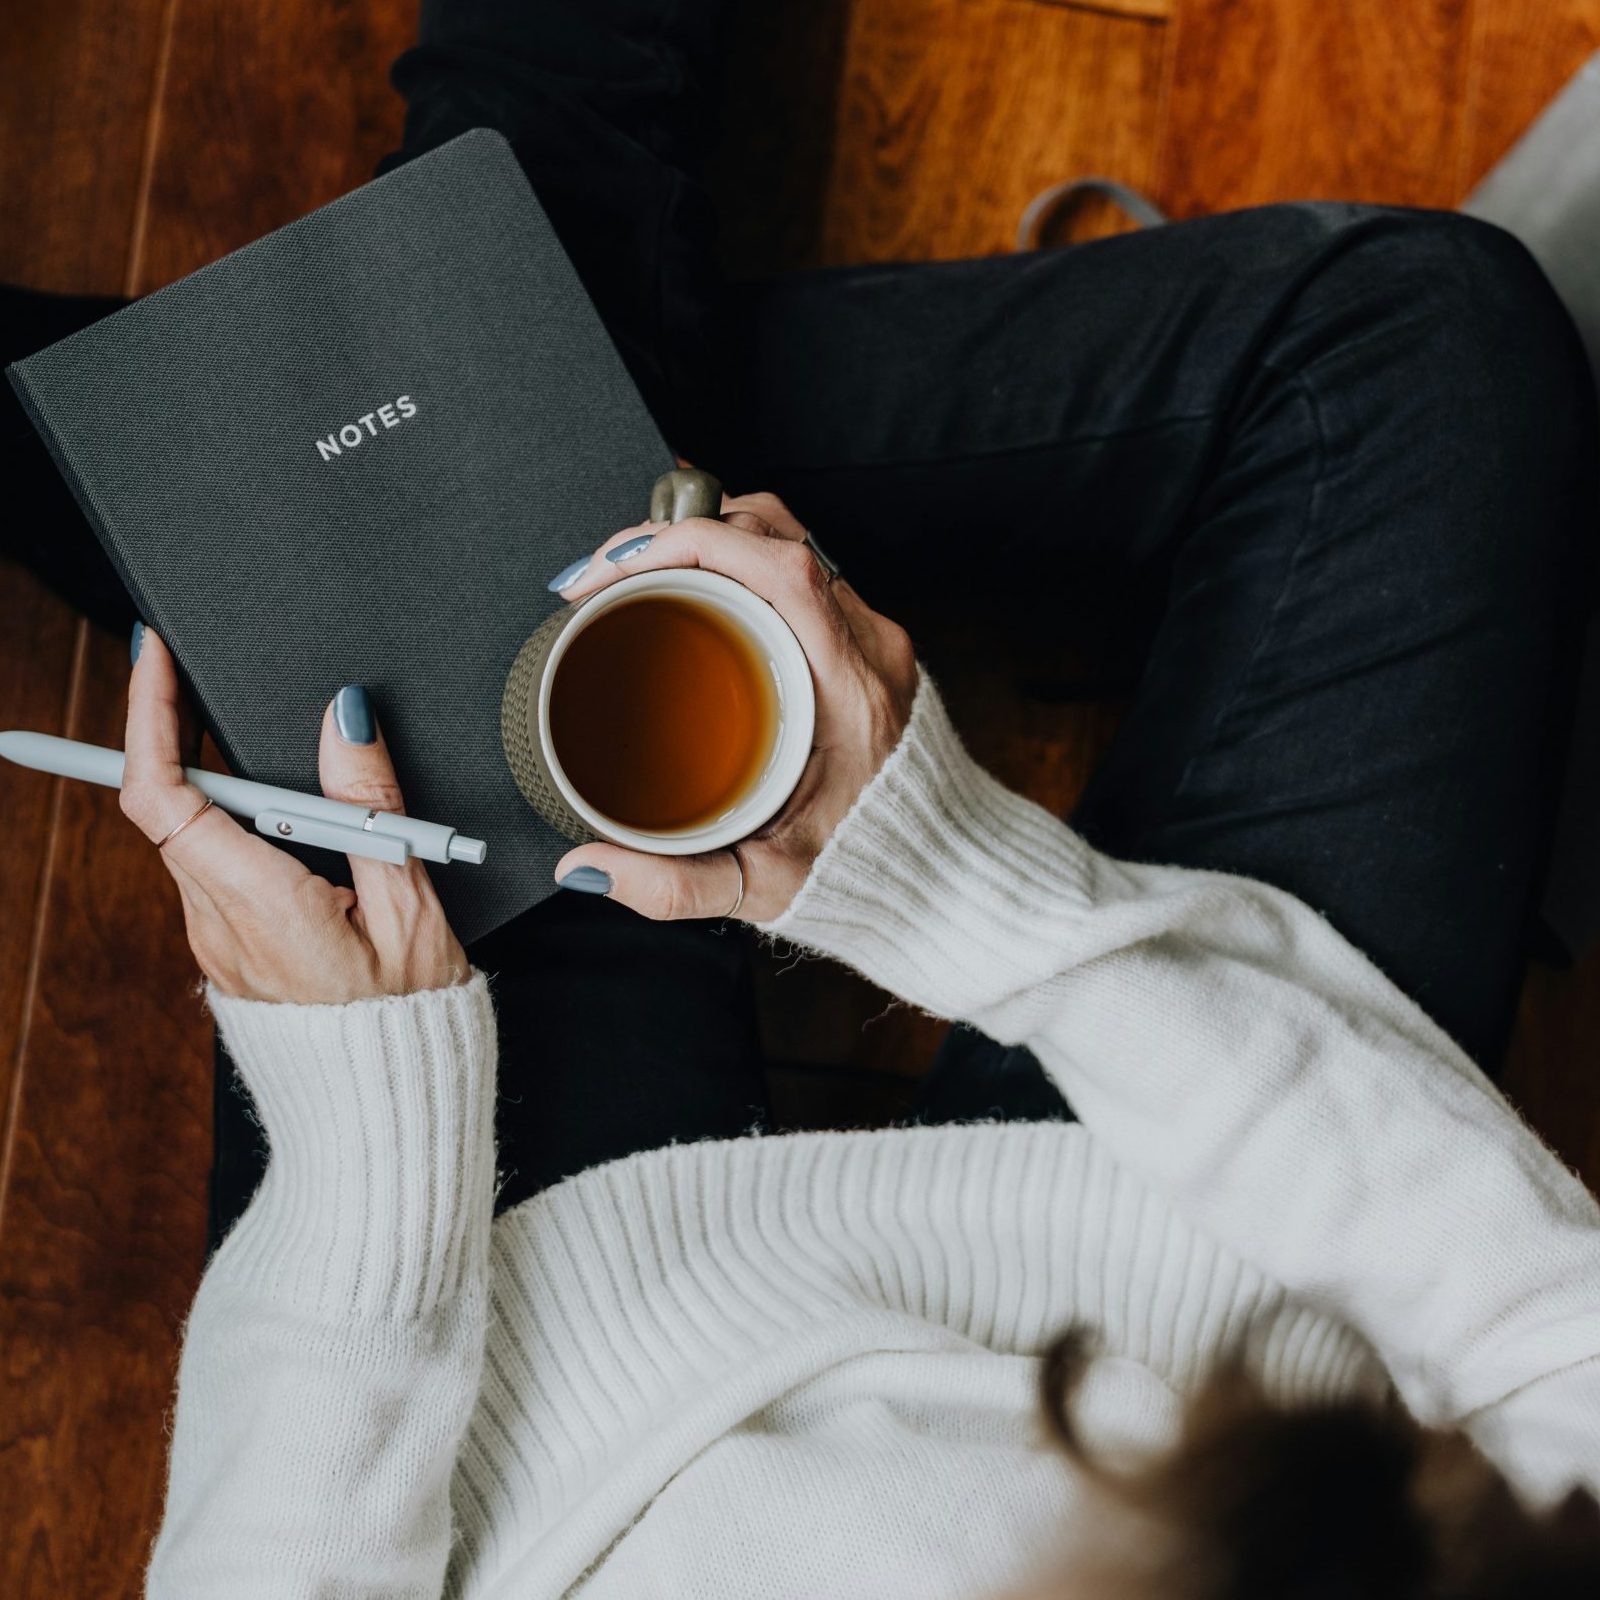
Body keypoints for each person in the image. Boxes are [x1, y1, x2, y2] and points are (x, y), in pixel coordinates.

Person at [4, 2, 1600, 1595]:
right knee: (1418, 339)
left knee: (520, 223)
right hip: (1207, 1255)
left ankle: (209, 481)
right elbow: (1551, 1335)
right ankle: (257, 478)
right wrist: (948, 874)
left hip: (539, 1338)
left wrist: (374, 1135)